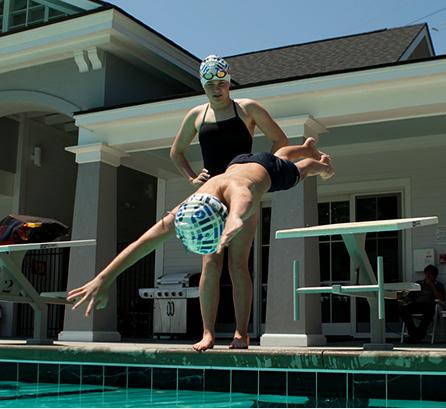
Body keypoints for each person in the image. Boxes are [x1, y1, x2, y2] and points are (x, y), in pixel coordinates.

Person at [67, 142, 334, 350]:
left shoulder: (245, 194)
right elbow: (142, 243)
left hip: (260, 172)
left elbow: (240, 201)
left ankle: (317, 160)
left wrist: (235, 220)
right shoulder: (188, 209)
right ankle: (208, 332)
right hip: (235, 164)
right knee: (279, 154)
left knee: (298, 168)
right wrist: (104, 277)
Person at [170, 54, 291, 351]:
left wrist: (260, 171)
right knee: (210, 262)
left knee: (238, 264)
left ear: (228, 82)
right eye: (210, 84)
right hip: (209, 197)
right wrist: (191, 178)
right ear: (203, 85)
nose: (216, 88)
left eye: (221, 83)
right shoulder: (197, 116)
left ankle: (241, 333)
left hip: (241, 194)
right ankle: (208, 333)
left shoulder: (247, 109)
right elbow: (176, 152)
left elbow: (280, 139)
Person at [398, 264, 445, 343]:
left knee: (430, 311)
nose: (429, 276)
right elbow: (410, 296)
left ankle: (415, 335)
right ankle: (415, 333)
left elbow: (441, 298)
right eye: (427, 274)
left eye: (431, 274)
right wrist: (403, 298)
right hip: (417, 304)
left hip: (429, 305)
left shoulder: (438, 285)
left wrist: (432, 286)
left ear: (435, 276)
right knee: (402, 309)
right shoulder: (418, 284)